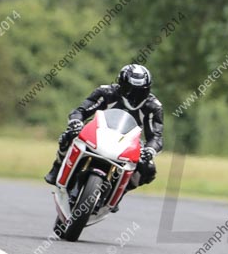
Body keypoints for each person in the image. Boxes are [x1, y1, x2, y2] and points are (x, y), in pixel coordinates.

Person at [44, 64, 164, 198]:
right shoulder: (106, 92)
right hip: (98, 131)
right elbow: (81, 111)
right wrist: (76, 122)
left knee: (148, 168)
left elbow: (156, 136)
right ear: (121, 84)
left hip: (129, 142)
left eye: (140, 91)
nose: (134, 95)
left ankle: (121, 191)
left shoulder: (153, 106)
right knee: (68, 135)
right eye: (130, 89)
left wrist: (150, 150)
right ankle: (57, 167)